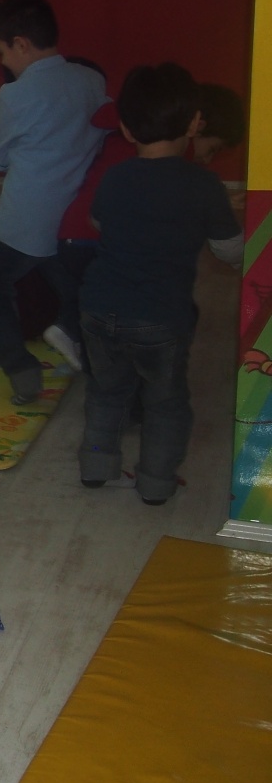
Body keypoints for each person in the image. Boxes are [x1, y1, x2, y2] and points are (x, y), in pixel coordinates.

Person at [78, 65, 243, 506]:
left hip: (97, 310)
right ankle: (154, 484)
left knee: (106, 393)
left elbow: (97, 221)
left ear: (127, 129)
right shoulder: (203, 184)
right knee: (165, 403)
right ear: (195, 123)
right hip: (160, 318)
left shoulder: (115, 177)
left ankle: (96, 467)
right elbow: (229, 249)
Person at [0, 0, 109, 404]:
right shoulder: (90, 80)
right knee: (73, 287)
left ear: (21, 45)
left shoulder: (15, 94)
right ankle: (91, 355)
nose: (3, 63)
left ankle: (22, 370)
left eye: (2, 53)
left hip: (25, 218)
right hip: (71, 217)